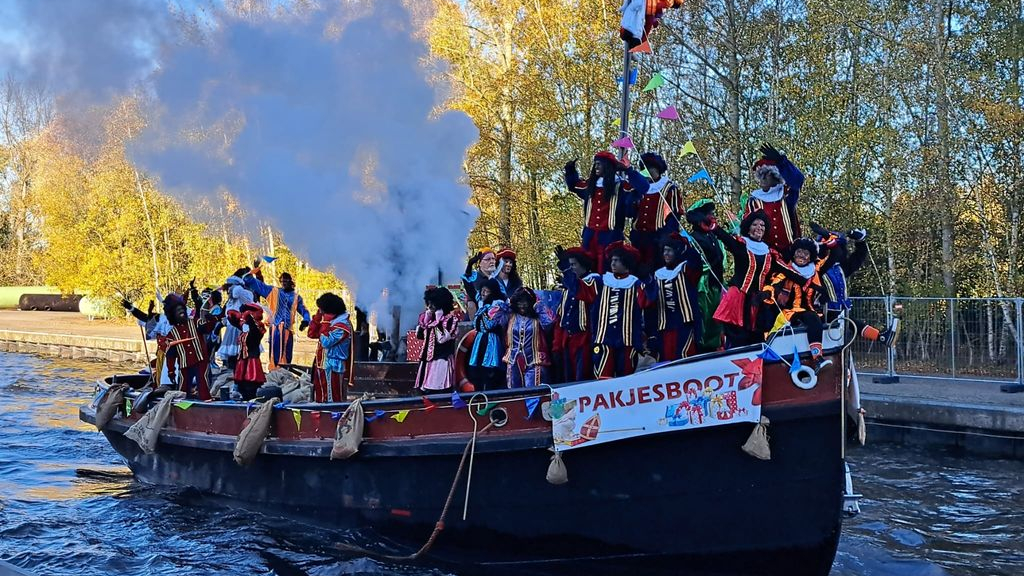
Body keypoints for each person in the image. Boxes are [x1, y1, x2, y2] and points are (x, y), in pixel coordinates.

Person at [711, 210, 803, 348]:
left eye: (762, 225)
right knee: (737, 339)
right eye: (755, 224)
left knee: (756, 339)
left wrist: (810, 281)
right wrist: (714, 227)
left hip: (756, 302)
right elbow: (726, 238)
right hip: (737, 299)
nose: (759, 228)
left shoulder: (769, 253)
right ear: (748, 227)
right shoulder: (741, 245)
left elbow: (789, 271)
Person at [810, 223, 900, 346]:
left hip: (840, 314)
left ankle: (881, 337)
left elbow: (857, 258)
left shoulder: (840, 268)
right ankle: (881, 337)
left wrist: (860, 242)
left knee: (849, 326)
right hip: (823, 313)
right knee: (850, 323)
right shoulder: (815, 268)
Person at [571, 241, 650, 378]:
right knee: (603, 377)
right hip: (603, 340)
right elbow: (580, 291)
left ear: (626, 263)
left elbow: (647, 301)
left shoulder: (636, 283)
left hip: (628, 341)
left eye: (617, 261)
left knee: (626, 379)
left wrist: (647, 280)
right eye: (612, 260)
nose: (613, 264)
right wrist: (567, 271)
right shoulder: (601, 281)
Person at [564, 151, 650, 273]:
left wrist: (628, 170)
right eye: (595, 164)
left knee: (607, 270)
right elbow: (574, 185)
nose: (596, 167)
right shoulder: (590, 185)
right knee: (586, 270)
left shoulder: (620, 187)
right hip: (589, 237)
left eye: (599, 164)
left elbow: (644, 187)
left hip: (611, 238)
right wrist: (570, 170)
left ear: (607, 166)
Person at [760, 238, 832, 371]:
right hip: (790, 313)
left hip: (810, 310)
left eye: (805, 253)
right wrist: (766, 293)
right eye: (799, 251)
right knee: (812, 318)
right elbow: (773, 286)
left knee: (837, 317)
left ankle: (880, 336)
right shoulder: (785, 272)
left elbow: (832, 258)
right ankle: (817, 358)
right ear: (793, 253)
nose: (801, 256)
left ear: (810, 256)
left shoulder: (814, 272)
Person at [645, 233, 703, 361]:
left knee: (684, 358)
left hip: (685, 324)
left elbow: (697, 262)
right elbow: (651, 305)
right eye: (664, 250)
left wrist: (687, 245)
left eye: (669, 250)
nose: (666, 254)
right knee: (666, 360)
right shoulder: (657, 275)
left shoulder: (686, 270)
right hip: (664, 326)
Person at [243, 263, 311, 370]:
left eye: (286, 280)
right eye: (282, 281)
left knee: (287, 353)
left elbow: (304, 310)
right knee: (275, 353)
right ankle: (274, 372)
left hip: (288, 329)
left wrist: (306, 320)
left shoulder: (296, 297)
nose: (284, 283)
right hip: (275, 328)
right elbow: (251, 281)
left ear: (291, 282)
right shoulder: (273, 291)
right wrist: (256, 271)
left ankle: (285, 372)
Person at [744, 143, 804, 255]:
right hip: (764, 254)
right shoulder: (754, 201)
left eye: (766, 175)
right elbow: (747, 228)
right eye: (760, 175)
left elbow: (798, 180)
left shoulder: (786, 194)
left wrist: (782, 162)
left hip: (789, 253)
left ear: (775, 177)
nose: (762, 179)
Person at [685, 199, 727, 352]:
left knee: (716, 316)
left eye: (711, 213)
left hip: (716, 283)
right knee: (705, 316)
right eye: (707, 214)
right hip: (702, 285)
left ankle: (715, 344)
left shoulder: (712, 236)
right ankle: (702, 347)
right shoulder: (692, 238)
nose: (710, 216)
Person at [631, 152, 684, 268]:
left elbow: (674, 215)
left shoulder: (669, 188)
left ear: (658, 170)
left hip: (658, 238)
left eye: (650, 169)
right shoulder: (638, 188)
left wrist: (666, 237)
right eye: (644, 168)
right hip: (638, 237)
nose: (647, 172)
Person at [163, 293, 220, 400]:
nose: (181, 312)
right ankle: (182, 408)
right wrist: (171, 371)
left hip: (201, 360)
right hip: (185, 365)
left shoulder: (196, 322)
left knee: (203, 385)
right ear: (172, 315)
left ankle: (206, 403)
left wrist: (212, 320)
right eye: (177, 311)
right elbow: (170, 355)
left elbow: (207, 327)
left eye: (182, 309)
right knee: (182, 389)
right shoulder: (171, 335)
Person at [553, 246, 597, 382]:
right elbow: (561, 319)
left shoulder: (593, 281)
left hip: (585, 340)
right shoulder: (568, 289)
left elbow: (583, 292)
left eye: (573, 265)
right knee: (569, 379)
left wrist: (566, 268)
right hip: (568, 340)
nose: (571, 268)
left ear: (583, 264)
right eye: (569, 265)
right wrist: (557, 346)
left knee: (582, 378)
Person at [503, 287, 556, 388]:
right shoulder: (510, 316)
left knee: (534, 393)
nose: (522, 306)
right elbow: (492, 320)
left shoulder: (538, 316)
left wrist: (538, 305)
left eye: (525, 302)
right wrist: (505, 306)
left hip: (534, 360)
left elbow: (550, 321)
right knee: (514, 393)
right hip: (513, 360)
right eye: (519, 302)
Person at [413, 287, 461, 393]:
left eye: (433, 304)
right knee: (425, 391)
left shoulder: (451, 320)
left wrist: (438, 321)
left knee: (438, 389)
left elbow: (442, 339)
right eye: (428, 304)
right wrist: (427, 319)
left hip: (441, 360)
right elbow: (420, 336)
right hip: (427, 361)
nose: (430, 307)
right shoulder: (429, 319)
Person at [308, 292, 353, 403]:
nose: (321, 312)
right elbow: (311, 334)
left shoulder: (342, 326)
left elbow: (326, 342)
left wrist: (325, 323)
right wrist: (317, 319)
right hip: (322, 364)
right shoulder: (332, 323)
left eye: (322, 310)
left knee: (332, 399)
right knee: (321, 397)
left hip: (333, 366)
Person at [467, 278, 510, 390]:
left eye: (486, 291)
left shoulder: (498, 305)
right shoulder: (482, 305)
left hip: (492, 340)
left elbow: (488, 325)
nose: (483, 293)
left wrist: (483, 312)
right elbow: (476, 325)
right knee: (477, 369)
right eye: (482, 291)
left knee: (490, 370)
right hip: (480, 339)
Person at [121, 297, 173, 388]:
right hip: (162, 355)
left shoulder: (182, 319)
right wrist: (131, 308)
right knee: (160, 375)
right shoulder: (160, 318)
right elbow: (146, 318)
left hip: (175, 355)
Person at [225, 302, 267, 400]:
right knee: (242, 385)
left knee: (250, 384)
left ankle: (250, 400)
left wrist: (248, 316)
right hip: (242, 359)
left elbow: (254, 332)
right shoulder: (246, 327)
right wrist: (234, 314)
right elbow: (233, 319)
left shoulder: (257, 328)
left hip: (252, 359)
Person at [218, 268, 255, 369]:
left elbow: (236, 293)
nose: (228, 291)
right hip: (232, 327)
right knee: (232, 354)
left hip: (239, 327)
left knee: (241, 352)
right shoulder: (231, 300)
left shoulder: (240, 291)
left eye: (230, 287)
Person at [461, 248, 498, 317]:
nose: (492, 261)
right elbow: (467, 278)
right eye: (488, 259)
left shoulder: (497, 278)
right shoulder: (475, 276)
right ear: (480, 263)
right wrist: (470, 265)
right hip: (478, 314)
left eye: (493, 259)